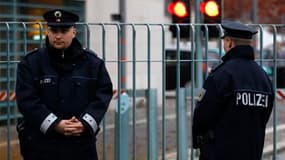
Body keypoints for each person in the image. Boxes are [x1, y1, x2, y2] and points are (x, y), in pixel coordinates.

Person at [16, 9, 113, 160]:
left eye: (64, 30)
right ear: (48, 32)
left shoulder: (92, 64)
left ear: (74, 32)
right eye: (54, 30)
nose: (58, 35)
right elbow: (26, 99)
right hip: (40, 145)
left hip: (80, 146)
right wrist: (55, 124)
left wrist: (84, 123)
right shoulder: (31, 63)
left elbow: (103, 94)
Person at [192, 20, 274, 160]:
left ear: (229, 42)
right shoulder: (263, 77)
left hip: (219, 152)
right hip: (252, 152)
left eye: (225, 41)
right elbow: (264, 116)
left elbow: (202, 115)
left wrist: (198, 142)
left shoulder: (221, 75)